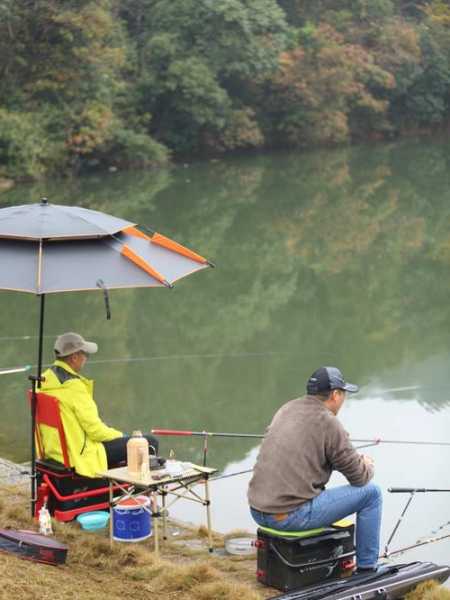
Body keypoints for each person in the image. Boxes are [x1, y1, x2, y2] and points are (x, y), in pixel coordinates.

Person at [248, 366, 382, 572]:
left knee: (326, 492)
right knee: (372, 494)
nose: (344, 399)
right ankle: (367, 569)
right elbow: (359, 478)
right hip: (289, 516)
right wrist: (367, 465)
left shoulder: (287, 409)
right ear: (336, 394)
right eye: (343, 393)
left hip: (257, 510)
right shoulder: (329, 422)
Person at [39, 332, 159, 478]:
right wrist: (122, 436)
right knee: (147, 443)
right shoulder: (74, 387)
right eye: (85, 355)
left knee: (124, 440)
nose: (86, 359)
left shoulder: (43, 381)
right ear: (74, 357)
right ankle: (138, 496)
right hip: (80, 456)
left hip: (56, 452)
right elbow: (95, 431)